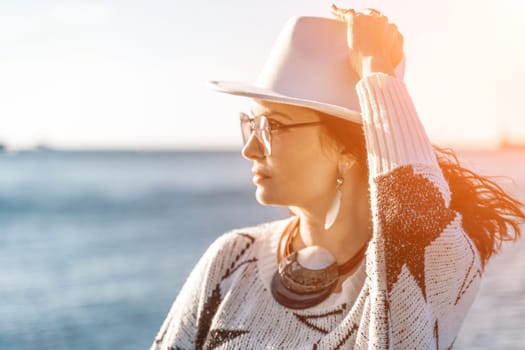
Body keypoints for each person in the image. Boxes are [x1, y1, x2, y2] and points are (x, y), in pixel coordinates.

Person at [151, 5, 524, 349]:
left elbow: (411, 232)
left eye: (272, 127)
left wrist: (376, 67)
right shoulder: (233, 257)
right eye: (251, 124)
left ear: (348, 150)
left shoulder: (437, 268)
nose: (250, 148)